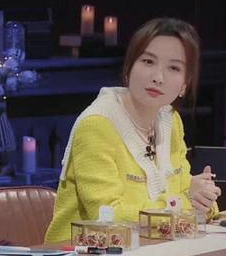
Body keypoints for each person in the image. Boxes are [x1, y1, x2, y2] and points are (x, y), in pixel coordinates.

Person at [45, 17, 221, 243]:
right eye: (148, 61)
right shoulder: (97, 125)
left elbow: (185, 190)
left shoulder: (170, 121)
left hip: (153, 248)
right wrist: (186, 201)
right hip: (83, 254)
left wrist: (204, 197)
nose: (158, 77)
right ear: (129, 68)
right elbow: (107, 215)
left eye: (173, 68)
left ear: (184, 84)